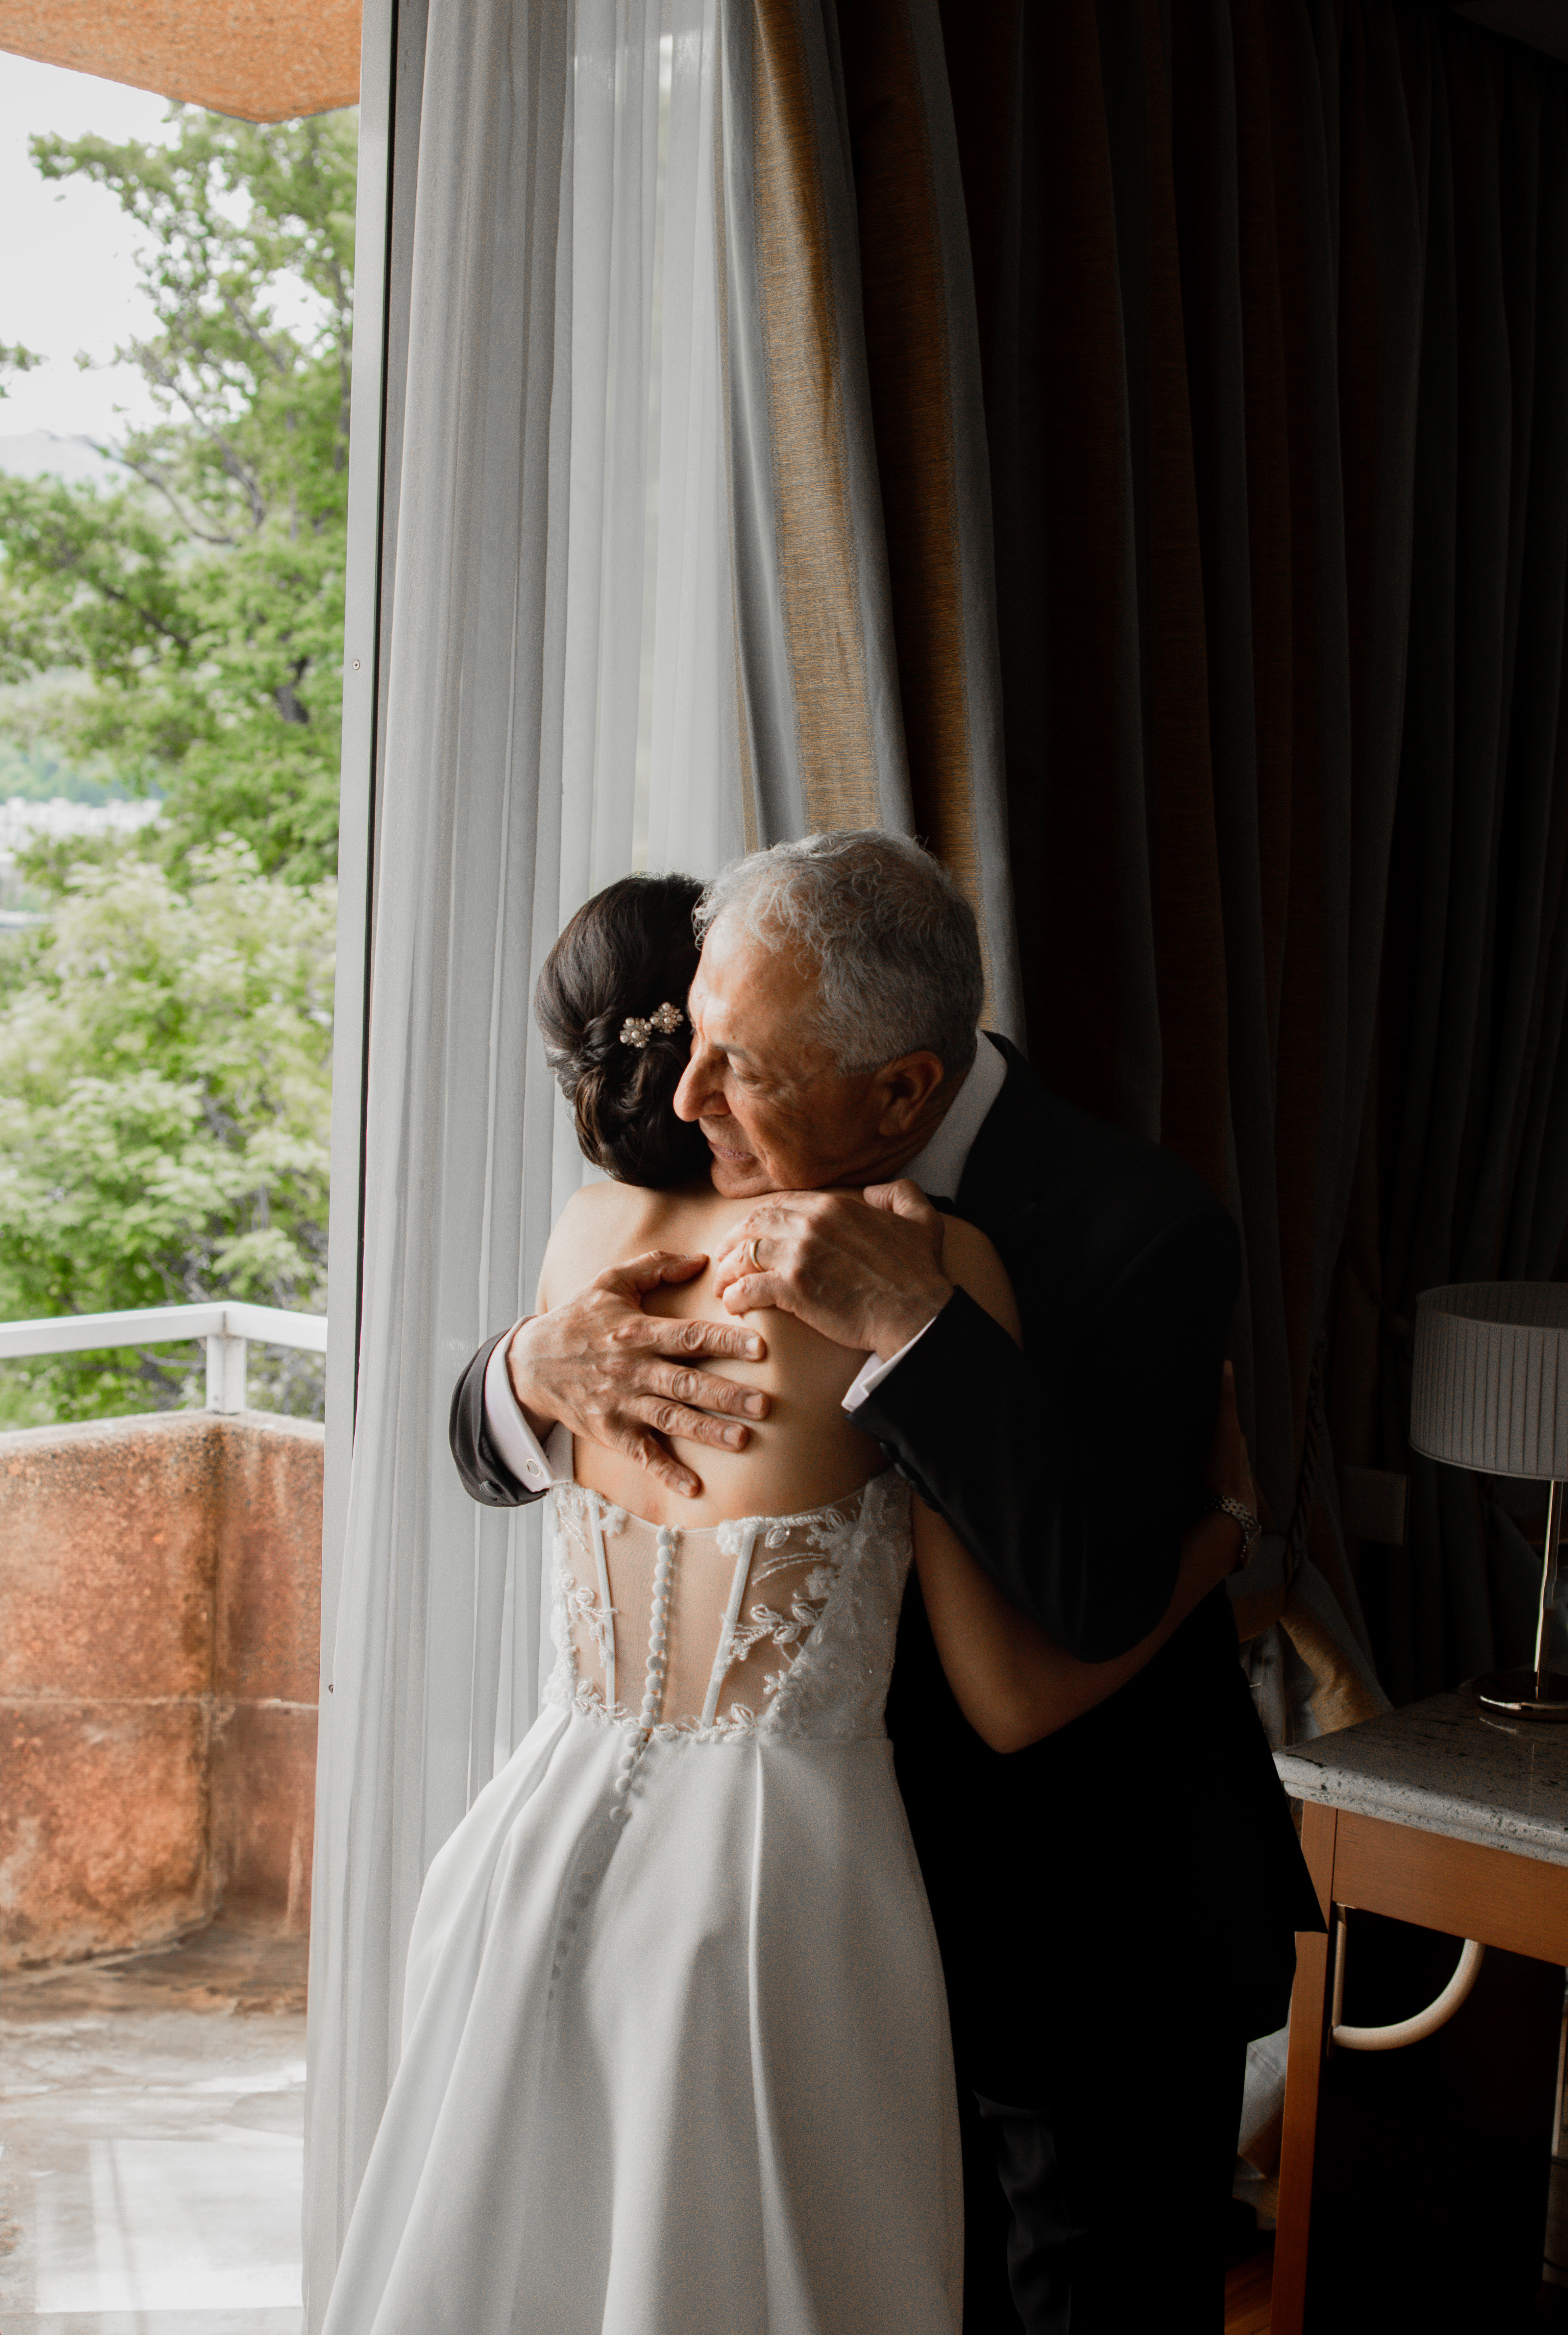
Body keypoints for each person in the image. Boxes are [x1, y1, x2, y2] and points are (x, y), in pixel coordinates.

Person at [326, 872, 1252, 2335]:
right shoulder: (793, 1169)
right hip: (788, 1898)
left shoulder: (1130, 1229)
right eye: (690, 1038)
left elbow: (1081, 1597)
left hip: (1057, 1931)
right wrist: (519, 1374)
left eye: (737, 1067)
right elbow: (1010, 1670)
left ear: (899, 1092)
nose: (693, 1090)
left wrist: (924, 1335)